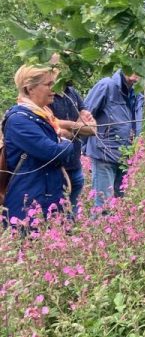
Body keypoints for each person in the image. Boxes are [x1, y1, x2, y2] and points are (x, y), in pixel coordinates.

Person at [2, 65, 74, 228]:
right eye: (48, 84)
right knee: (30, 250)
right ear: (30, 88)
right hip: (28, 205)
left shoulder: (42, 116)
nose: (54, 89)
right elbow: (53, 153)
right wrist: (67, 143)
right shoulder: (19, 120)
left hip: (50, 198)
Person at [83, 70, 144, 209]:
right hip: (104, 154)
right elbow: (84, 118)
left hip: (125, 157)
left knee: (117, 209)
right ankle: (97, 230)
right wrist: (84, 149)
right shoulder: (106, 86)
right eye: (131, 67)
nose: (135, 72)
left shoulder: (138, 94)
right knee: (103, 207)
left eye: (139, 67)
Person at [48, 55, 96, 216]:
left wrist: (67, 127)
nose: (69, 71)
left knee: (72, 214)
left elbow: (92, 127)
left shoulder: (72, 93)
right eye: (64, 67)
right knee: (56, 215)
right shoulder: (47, 95)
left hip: (75, 166)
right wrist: (77, 126)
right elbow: (50, 125)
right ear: (53, 69)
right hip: (57, 169)